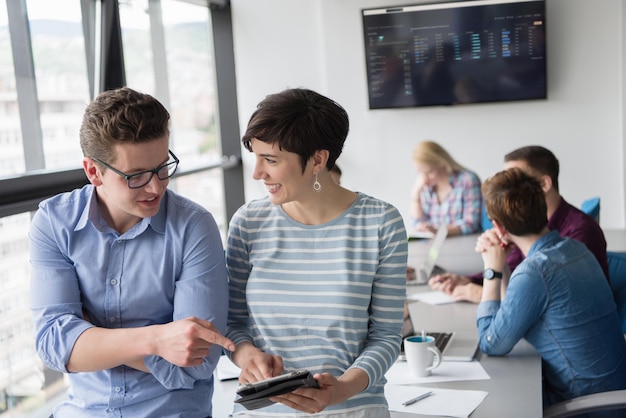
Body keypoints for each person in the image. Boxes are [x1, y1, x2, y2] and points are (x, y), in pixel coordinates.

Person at [29, 87, 235, 417]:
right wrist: (157, 339)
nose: (156, 187)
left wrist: (91, 337)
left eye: (162, 166)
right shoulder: (54, 223)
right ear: (94, 171)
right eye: (136, 176)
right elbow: (54, 346)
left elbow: (197, 362)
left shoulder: (194, 227)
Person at [225, 88, 408, 417]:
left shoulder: (381, 223)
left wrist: (344, 388)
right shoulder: (248, 223)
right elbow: (233, 323)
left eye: (271, 160)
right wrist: (247, 355)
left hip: (353, 409)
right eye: (256, 157)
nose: (257, 173)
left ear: (318, 160)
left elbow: (386, 336)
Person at [475, 167, 626, 410]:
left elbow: (491, 343)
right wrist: (501, 264)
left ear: (498, 227)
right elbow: (511, 315)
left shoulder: (535, 272)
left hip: (587, 406)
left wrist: (491, 271)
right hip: (610, 393)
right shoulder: (576, 249)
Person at [430, 145, 609, 302]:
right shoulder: (524, 224)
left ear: (544, 184)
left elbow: (545, 297)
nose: (508, 188)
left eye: (517, 179)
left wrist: (481, 293)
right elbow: (514, 266)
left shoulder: (579, 231)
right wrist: (468, 280)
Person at [409, 140, 482, 237]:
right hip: (435, 246)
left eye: (429, 172)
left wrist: (439, 231)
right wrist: (415, 192)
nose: (424, 178)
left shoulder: (468, 180)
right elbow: (416, 223)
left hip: (464, 244)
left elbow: (470, 223)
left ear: (442, 164)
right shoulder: (426, 185)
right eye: (420, 173)